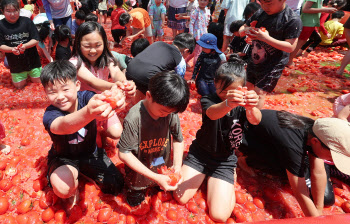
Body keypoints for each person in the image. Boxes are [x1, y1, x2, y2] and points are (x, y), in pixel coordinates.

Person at [174, 55, 261, 222]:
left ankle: (224, 177)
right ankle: (207, 176)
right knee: (180, 197)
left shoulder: (244, 104)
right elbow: (212, 114)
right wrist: (229, 102)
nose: (227, 95)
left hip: (224, 159)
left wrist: (251, 107)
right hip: (200, 154)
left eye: (233, 91)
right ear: (215, 84)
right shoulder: (209, 99)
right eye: (223, 90)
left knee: (219, 216)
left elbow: (255, 120)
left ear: (243, 89)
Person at [41, 60, 125, 208]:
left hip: (91, 153)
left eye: (65, 89)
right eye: (52, 92)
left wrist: (116, 97)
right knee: (63, 188)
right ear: (46, 93)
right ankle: (72, 181)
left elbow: (98, 101)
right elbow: (64, 125)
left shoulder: (86, 97)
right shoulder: (50, 113)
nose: (60, 96)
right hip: (64, 157)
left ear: (77, 85)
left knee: (116, 185)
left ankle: (83, 172)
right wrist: (89, 112)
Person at [241, 109, 350, 217]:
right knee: (285, 172)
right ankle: (245, 161)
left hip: (281, 144)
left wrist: (318, 209)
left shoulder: (317, 131)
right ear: (315, 142)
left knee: (327, 199)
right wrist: (316, 220)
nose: (332, 161)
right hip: (252, 139)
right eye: (332, 156)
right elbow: (300, 191)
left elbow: (319, 172)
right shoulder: (293, 144)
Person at [118, 71, 189, 207]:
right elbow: (123, 153)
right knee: (135, 200)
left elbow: (178, 139)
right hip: (138, 169)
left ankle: (155, 182)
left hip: (161, 162)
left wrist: (177, 166)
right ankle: (136, 191)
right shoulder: (134, 118)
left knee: (159, 190)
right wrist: (156, 177)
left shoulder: (170, 111)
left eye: (170, 112)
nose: (166, 115)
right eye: (163, 111)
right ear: (149, 96)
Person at [70, 21, 136, 140]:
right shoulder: (74, 63)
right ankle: (93, 132)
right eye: (87, 46)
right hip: (84, 108)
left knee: (117, 134)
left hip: (105, 104)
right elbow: (92, 81)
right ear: (78, 45)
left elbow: (116, 72)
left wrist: (125, 84)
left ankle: (100, 131)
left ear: (104, 44)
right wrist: (114, 86)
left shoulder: (108, 58)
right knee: (90, 141)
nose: (93, 51)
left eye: (97, 45)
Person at [242, 0, 302, 109]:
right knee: (248, 86)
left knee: (259, 92)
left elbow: (290, 47)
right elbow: (242, 28)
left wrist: (266, 38)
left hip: (273, 64)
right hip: (255, 59)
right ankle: (244, 113)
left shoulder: (292, 19)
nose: (264, 7)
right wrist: (249, 31)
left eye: (269, 3)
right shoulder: (260, 13)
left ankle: (252, 121)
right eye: (262, 3)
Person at [126, 33, 195, 101]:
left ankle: (135, 106)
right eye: (189, 54)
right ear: (186, 51)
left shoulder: (158, 43)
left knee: (142, 85)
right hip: (146, 77)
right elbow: (177, 83)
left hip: (130, 70)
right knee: (170, 92)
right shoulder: (180, 60)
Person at [0, 0, 42, 89]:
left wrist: (25, 46)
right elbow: (1, 45)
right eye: (8, 11)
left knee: (38, 83)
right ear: (2, 11)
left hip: (32, 60)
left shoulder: (27, 21)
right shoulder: (1, 25)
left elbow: (36, 39)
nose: (12, 14)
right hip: (15, 62)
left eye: (15, 10)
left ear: (19, 10)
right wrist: (12, 49)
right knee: (19, 87)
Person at [287, 0, 337, 66]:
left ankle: (289, 59)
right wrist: (325, 10)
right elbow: (305, 9)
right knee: (299, 41)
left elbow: (315, 7)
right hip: (307, 22)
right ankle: (289, 61)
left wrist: (326, 9)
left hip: (309, 22)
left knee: (301, 41)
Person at [186, 0, 211, 66]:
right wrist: (191, 34)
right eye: (201, 0)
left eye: (205, 0)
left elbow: (206, 24)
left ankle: (185, 61)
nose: (203, 2)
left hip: (203, 33)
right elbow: (191, 23)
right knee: (198, 52)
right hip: (197, 35)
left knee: (196, 51)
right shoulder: (195, 11)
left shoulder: (207, 10)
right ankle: (196, 69)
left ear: (208, 2)